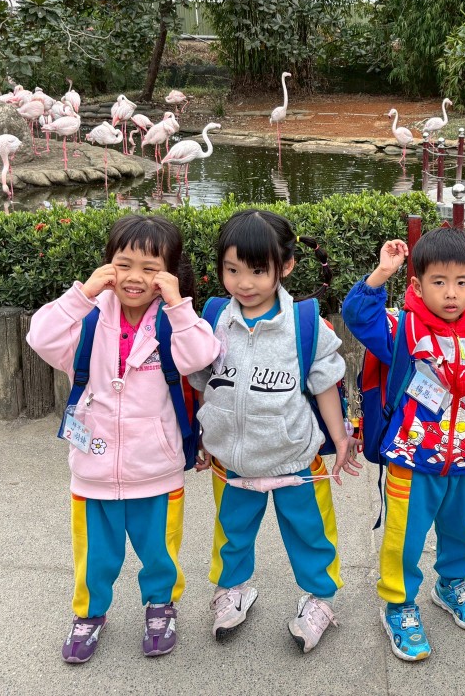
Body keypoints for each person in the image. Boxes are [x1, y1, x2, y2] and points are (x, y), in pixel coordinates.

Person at [27, 214, 221, 664]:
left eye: (151, 268)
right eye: (124, 264)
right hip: (93, 470)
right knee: (95, 556)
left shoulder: (172, 325)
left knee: (160, 553)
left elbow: (202, 356)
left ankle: (161, 607)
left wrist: (178, 305)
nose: (135, 277)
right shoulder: (87, 321)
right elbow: (40, 336)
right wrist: (83, 294)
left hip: (157, 469)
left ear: (169, 273)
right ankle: (89, 614)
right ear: (107, 265)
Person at [191, 209, 358, 653]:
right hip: (232, 459)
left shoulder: (304, 323)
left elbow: (325, 383)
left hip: (294, 457)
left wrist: (340, 439)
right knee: (231, 531)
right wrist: (203, 436)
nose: (244, 283)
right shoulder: (213, 318)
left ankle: (319, 599)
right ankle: (232, 589)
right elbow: (203, 382)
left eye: (257, 271)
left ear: (285, 267)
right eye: (232, 270)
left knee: (310, 533)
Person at [342, 227, 465, 662]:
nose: (451, 293)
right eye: (439, 282)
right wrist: (383, 273)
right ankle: (399, 604)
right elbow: (357, 316)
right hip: (411, 459)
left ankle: (452, 583)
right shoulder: (402, 328)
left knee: (460, 530)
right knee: (405, 537)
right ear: (418, 286)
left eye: (461, 282)